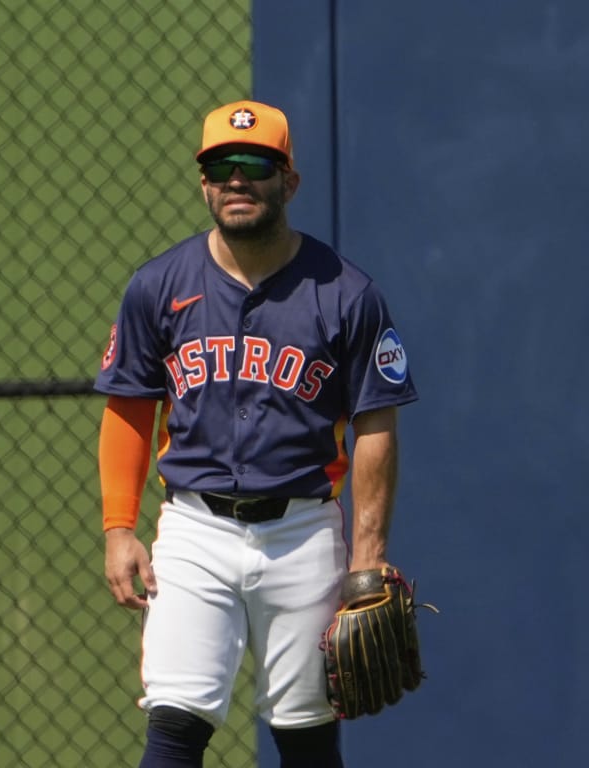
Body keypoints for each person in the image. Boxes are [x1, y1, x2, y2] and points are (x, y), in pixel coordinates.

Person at [95, 99, 418, 767]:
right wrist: (120, 527)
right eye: (220, 167)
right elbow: (130, 407)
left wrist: (367, 559)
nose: (236, 180)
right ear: (203, 183)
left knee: (305, 739)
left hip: (302, 533)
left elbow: (375, 425)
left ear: (289, 182)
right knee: (175, 725)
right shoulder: (158, 287)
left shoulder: (346, 293)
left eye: (255, 166)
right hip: (194, 531)